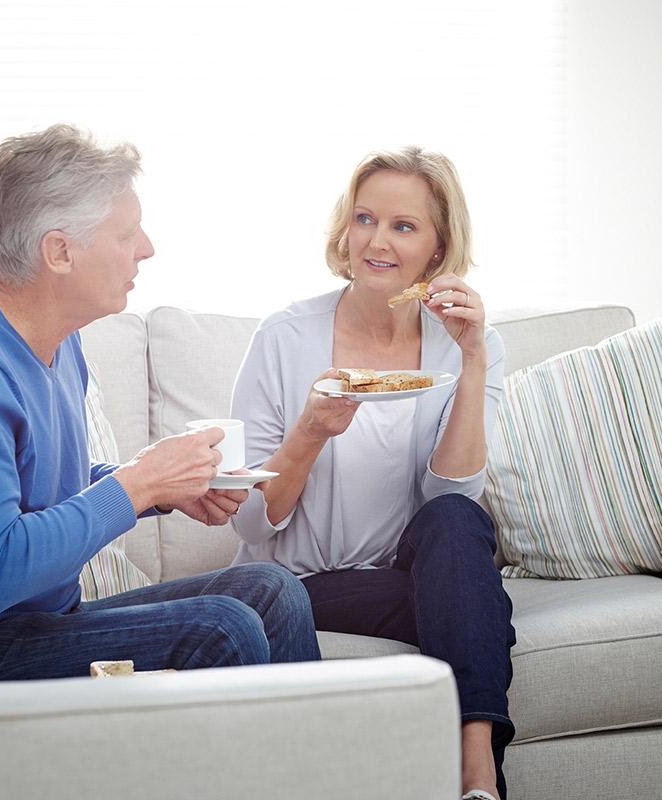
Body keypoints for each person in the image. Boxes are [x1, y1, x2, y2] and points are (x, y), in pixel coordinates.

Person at [0, 124, 320, 688]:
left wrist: (166, 487)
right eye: (126, 234)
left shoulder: (56, 337)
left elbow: (44, 493)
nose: (146, 248)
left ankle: (311, 773)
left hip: (29, 624)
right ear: (60, 251)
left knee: (273, 590)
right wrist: (138, 485)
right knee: (220, 627)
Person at [230, 147, 515, 800]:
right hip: (302, 585)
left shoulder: (471, 346)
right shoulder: (285, 337)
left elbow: (454, 496)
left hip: (405, 578)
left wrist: (472, 360)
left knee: (456, 522)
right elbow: (250, 518)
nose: (375, 241)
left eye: (403, 226)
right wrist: (309, 433)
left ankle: (476, 775)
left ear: (439, 249)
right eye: (364, 219)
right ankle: (484, 777)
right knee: (480, 607)